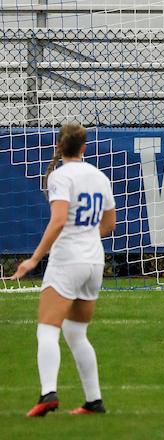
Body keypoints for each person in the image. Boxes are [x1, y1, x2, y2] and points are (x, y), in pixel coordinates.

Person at [12, 121, 116, 417]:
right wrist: (85, 236)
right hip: (94, 261)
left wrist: (33, 259)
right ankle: (94, 401)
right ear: (84, 148)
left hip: (68, 260)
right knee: (75, 331)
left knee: (47, 330)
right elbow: (109, 225)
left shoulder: (60, 176)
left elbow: (58, 221)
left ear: (59, 145)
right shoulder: (99, 176)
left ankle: (48, 393)